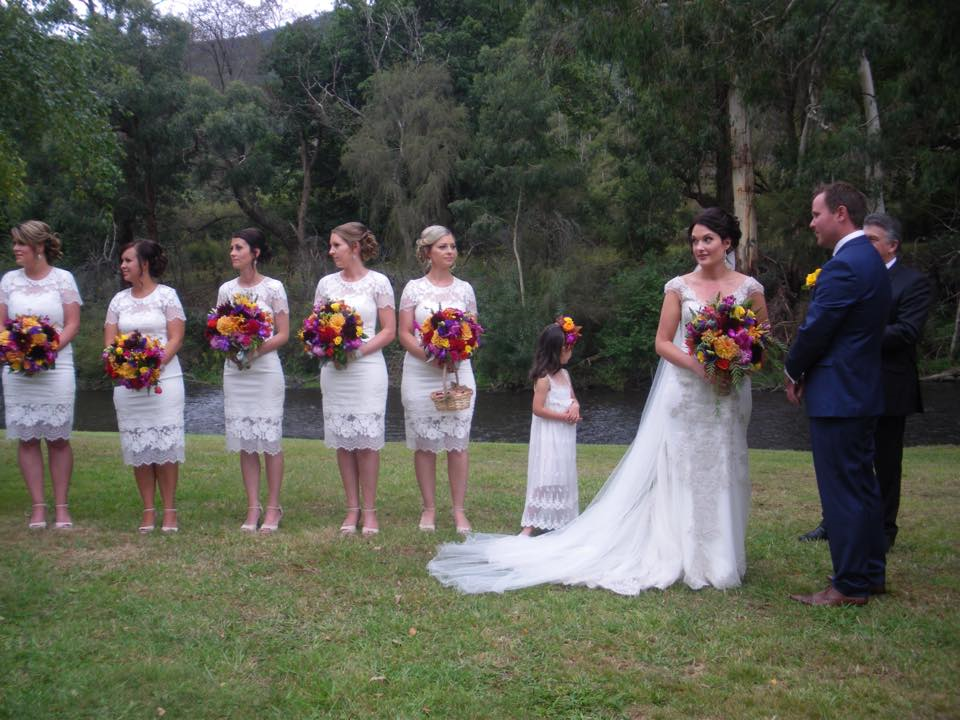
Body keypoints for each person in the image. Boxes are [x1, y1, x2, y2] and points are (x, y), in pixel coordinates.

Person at [427, 208, 766, 594]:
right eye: (694, 240)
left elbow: (761, 346)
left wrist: (733, 363)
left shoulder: (749, 289)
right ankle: (682, 552)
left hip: (728, 392)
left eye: (708, 239)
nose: (700, 247)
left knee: (724, 465)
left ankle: (721, 557)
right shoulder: (679, 287)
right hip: (686, 392)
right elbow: (662, 342)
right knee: (682, 469)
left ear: (727, 242)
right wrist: (700, 366)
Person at [797, 212, 931, 550]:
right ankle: (834, 522)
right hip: (846, 382)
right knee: (844, 460)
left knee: (884, 460)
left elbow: (907, 332)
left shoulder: (912, 282)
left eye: (872, 240)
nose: (865, 246)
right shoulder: (850, 271)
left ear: (892, 245)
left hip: (888, 383)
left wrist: (855, 333)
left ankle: (883, 529)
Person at [785, 182, 891, 607]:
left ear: (841, 213)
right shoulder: (871, 259)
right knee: (862, 485)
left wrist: (793, 368)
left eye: (817, 214)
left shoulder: (845, 266)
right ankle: (870, 573)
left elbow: (817, 329)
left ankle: (848, 585)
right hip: (860, 389)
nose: (812, 223)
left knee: (842, 491)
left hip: (839, 393)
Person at [314, 222, 396, 535]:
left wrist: (357, 352)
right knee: (344, 441)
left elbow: (388, 330)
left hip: (367, 369)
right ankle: (352, 509)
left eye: (336, 245)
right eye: (331, 245)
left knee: (366, 442)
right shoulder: (326, 284)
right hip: (334, 371)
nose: (331, 251)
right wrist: (324, 346)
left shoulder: (378, 282)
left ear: (355, 247)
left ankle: (370, 511)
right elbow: (315, 325)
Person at [1, 221, 82, 530]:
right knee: (27, 438)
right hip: (18, 369)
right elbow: (2, 324)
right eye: (15, 243)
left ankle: (61, 507)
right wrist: (16, 351)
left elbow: (72, 323)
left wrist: (47, 350)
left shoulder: (63, 279)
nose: (15, 249)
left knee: (58, 438)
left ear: (38, 247)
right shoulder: (9, 281)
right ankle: (38, 506)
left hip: (56, 366)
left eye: (20, 243)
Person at [398, 226, 478, 533]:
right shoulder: (413, 289)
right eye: (443, 246)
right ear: (427, 252)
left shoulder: (465, 290)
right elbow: (404, 332)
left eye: (453, 246)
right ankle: (429, 509)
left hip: (458, 370)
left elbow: (473, 331)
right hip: (420, 371)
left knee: (457, 443)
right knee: (425, 443)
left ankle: (459, 511)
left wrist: (457, 352)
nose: (450, 251)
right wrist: (431, 355)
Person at [104, 240, 186, 533]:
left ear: (145, 264)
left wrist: (152, 366)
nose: (123, 265)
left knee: (165, 446)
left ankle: (170, 511)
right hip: (128, 385)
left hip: (164, 381)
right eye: (122, 261)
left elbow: (176, 337)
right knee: (139, 445)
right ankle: (148, 510)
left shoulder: (167, 296)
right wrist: (126, 368)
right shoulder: (118, 301)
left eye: (128, 260)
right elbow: (110, 344)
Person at [217, 228, 289, 533]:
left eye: (239, 248)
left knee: (269, 441)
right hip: (236, 371)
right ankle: (252, 506)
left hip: (265, 370)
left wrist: (254, 351)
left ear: (255, 253)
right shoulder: (226, 290)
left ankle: (273, 508)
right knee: (246, 441)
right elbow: (219, 329)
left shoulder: (273, 288)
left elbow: (283, 333)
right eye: (231, 248)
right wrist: (231, 350)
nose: (233, 253)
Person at [519, 321, 581, 536]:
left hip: (564, 435)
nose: (571, 352)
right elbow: (537, 409)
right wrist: (563, 417)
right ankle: (529, 524)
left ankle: (563, 519)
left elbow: (572, 398)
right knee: (546, 476)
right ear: (557, 350)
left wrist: (575, 406)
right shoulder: (544, 378)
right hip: (549, 434)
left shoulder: (565, 375)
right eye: (568, 348)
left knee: (562, 474)